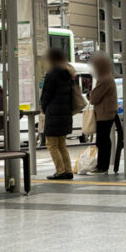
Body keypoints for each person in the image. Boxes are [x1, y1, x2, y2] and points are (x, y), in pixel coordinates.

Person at [40, 46, 74, 180]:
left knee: (51, 144)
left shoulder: (52, 73)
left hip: (54, 114)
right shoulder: (67, 74)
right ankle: (68, 170)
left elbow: (47, 94)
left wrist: (43, 106)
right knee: (61, 144)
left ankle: (60, 171)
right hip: (65, 113)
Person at [87, 52, 117, 175]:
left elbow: (94, 98)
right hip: (107, 112)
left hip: (104, 114)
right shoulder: (108, 77)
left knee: (102, 140)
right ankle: (102, 166)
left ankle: (102, 166)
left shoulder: (104, 79)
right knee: (104, 139)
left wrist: (90, 94)